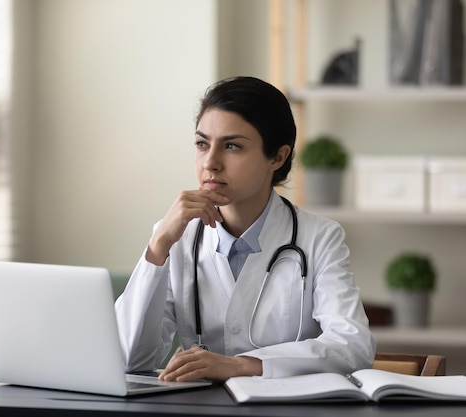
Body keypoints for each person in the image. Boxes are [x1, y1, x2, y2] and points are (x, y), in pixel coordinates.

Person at [115, 76, 376, 382]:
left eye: (232, 146)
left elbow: (353, 346)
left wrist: (242, 365)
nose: (210, 163)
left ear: (277, 157)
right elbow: (131, 359)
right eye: (202, 144)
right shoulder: (177, 235)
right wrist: (158, 247)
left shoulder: (319, 238)